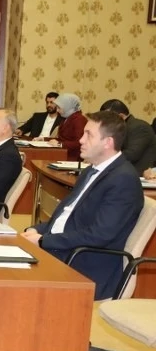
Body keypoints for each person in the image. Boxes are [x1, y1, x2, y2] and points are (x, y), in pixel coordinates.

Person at [24, 111, 143, 300]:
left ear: (108, 142)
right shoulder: (91, 170)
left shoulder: (123, 180)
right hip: (64, 250)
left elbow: (99, 235)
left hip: (84, 263)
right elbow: (66, 217)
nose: (81, 140)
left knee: (13, 284)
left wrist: (43, 241)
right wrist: (36, 230)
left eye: (89, 135)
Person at [99, 99, 156, 175]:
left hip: (139, 176)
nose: (104, 123)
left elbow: (132, 154)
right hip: (121, 172)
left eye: (107, 118)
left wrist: (103, 157)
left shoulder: (140, 127)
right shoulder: (118, 128)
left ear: (121, 116)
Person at [52, 92, 87, 161]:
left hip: (73, 158)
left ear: (68, 106)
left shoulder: (79, 119)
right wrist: (43, 139)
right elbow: (62, 139)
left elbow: (79, 142)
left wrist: (60, 144)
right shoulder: (67, 117)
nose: (57, 110)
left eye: (59, 107)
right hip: (64, 154)